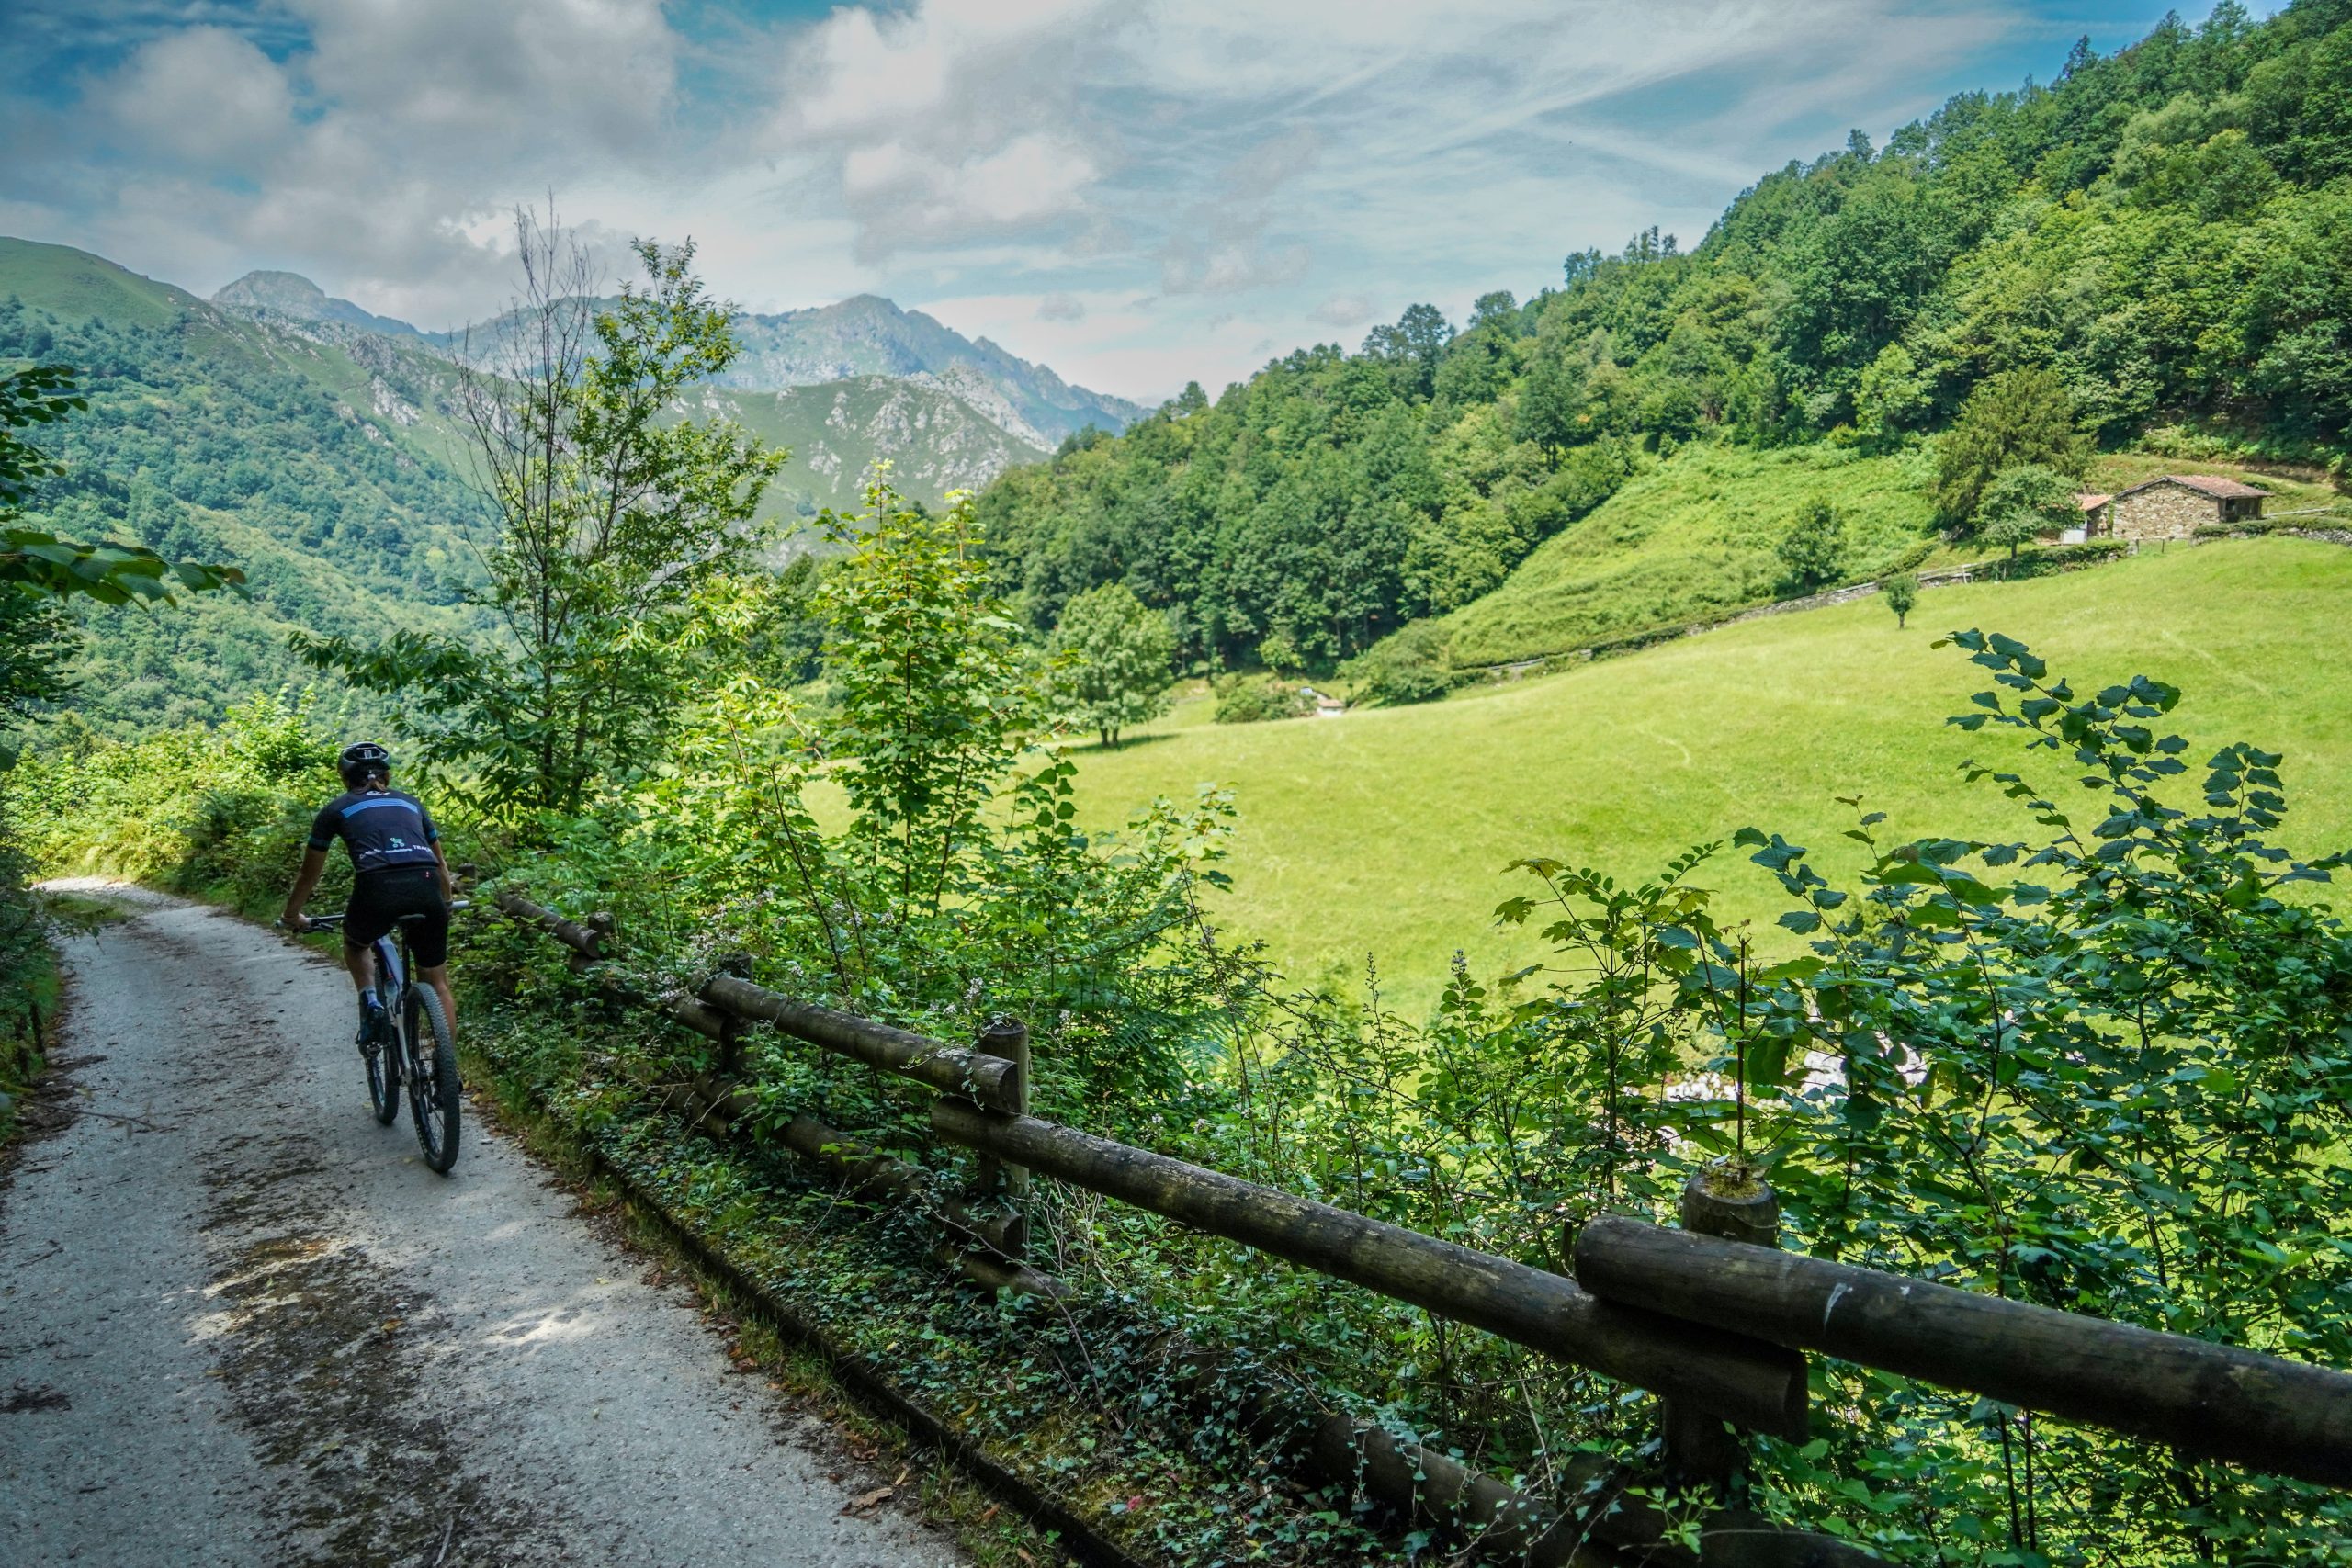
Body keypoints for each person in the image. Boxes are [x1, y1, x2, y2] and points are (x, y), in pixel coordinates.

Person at [281, 741, 458, 1050]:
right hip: (426, 883)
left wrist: (291, 915)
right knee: (438, 983)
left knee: (355, 942)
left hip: (375, 887)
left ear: (346, 778)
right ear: (386, 775)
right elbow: (441, 865)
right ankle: (448, 1072)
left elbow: (309, 874)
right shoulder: (411, 803)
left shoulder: (336, 809)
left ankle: (371, 1001)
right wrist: (446, 903)